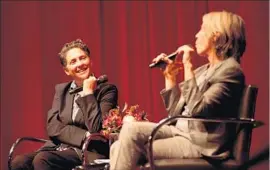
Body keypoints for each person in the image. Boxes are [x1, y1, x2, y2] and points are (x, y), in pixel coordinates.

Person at [109, 10, 246, 170]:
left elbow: (198, 110)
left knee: (121, 146)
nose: (196, 35)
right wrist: (170, 77)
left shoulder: (230, 70)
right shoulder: (203, 70)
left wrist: (188, 66)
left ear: (215, 36)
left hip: (200, 144)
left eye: (202, 29)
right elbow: (175, 114)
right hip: (178, 132)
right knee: (127, 132)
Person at [11, 39, 118, 170]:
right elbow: (52, 127)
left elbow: (96, 129)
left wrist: (88, 93)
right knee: (19, 162)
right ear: (67, 70)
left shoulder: (107, 90)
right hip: (58, 147)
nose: (80, 64)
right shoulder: (62, 90)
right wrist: (84, 135)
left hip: (89, 151)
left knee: (44, 159)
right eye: (73, 62)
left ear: (90, 60)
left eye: (82, 58)